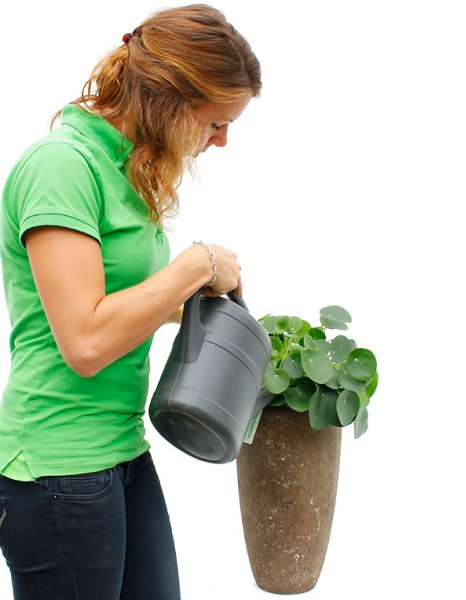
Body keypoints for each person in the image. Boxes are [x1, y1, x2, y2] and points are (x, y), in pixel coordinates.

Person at [0, 4, 261, 599]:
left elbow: (115, 304)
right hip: (58, 468)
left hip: (122, 450)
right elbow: (86, 342)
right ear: (169, 102)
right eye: (216, 122)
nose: (221, 141)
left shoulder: (125, 172)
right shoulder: (61, 167)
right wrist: (194, 265)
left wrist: (201, 311)